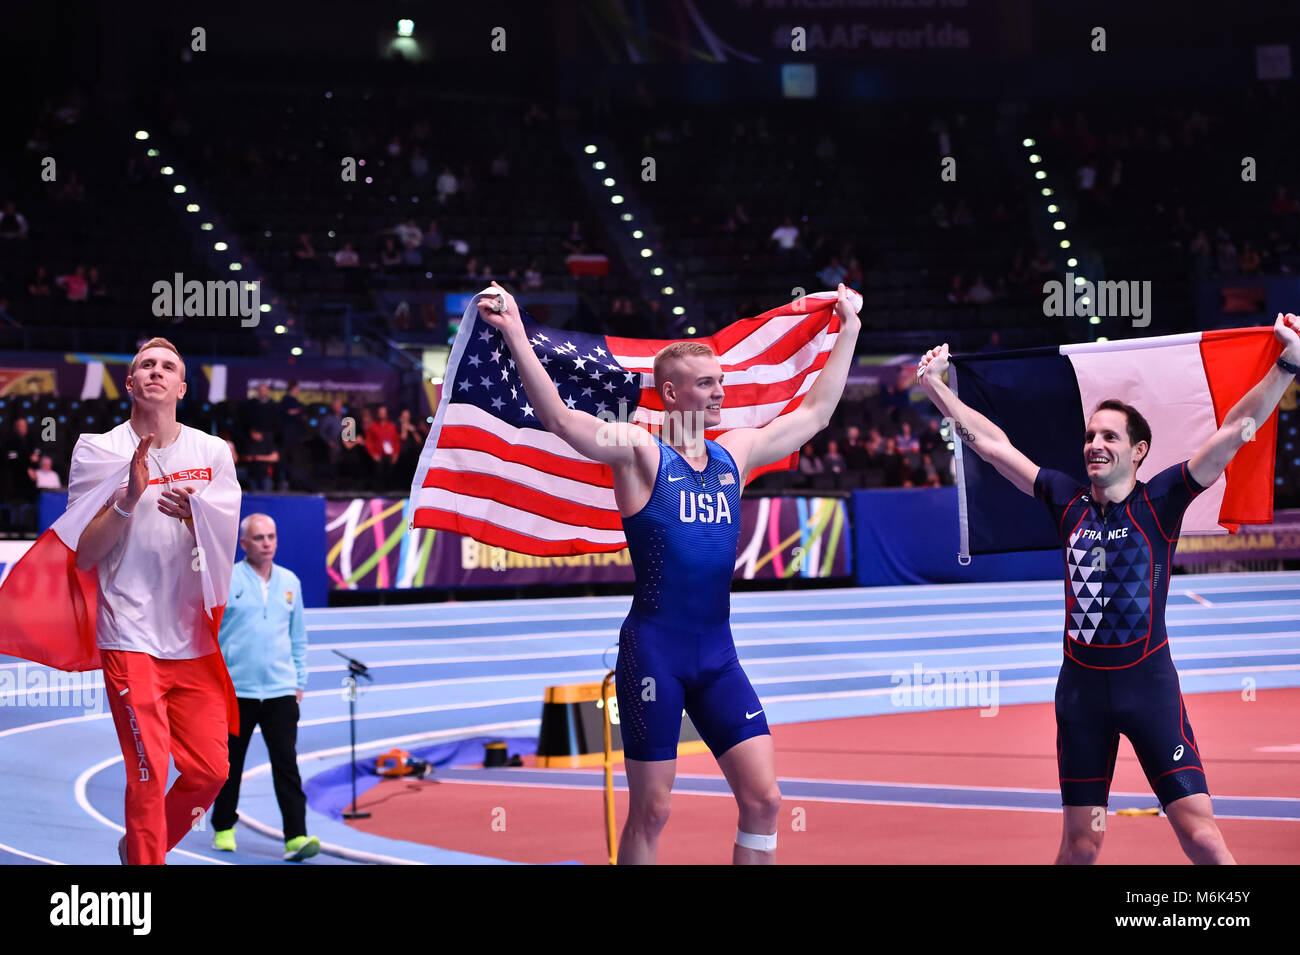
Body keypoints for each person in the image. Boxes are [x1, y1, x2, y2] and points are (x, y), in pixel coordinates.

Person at [479, 280, 862, 864]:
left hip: (719, 655)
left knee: (765, 799)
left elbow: (815, 412)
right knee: (653, 811)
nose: (719, 394)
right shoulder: (639, 452)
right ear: (671, 393)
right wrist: (513, 332)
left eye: (721, 383)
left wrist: (850, 327)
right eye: (707, 384)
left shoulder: (737, 452)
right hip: (654, 652)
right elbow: (558, 418)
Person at [915, 313, 1300, 864]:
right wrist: (938, 390)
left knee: (1200, 834)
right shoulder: (1064, 499)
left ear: (1138, 451)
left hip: (1150, 692)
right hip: (1080, 699)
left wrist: (1286, 365)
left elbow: (1234, 429)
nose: (1094, 443)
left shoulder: (1163, 499)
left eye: (1109, 436)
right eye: (1090, 435)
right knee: (1081, 843)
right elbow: (994, 447)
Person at [68, 337, 241, 864]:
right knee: (149, 770)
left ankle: (139, 849)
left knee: (212, 772)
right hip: (129, 635)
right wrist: (127, 499)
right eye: (146, 364)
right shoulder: (97, 450)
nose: (156, 372)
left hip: (191, 638)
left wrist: (197, 518)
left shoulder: (212, 452)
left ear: (182, 388)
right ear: (131, 381)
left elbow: (225, 541)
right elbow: (84, 555)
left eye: (168, 366)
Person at [211, 514, 319, 861]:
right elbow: (211, 635)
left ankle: (296, 837)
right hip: (236, 692)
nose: (267, 543)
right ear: (244, 543)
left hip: (280, 691)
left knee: (286, 764)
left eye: (271, 536)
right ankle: (224, 828)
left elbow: (297, 637)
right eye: (259, 538)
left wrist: (298, 681)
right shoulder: (227, 579)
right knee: (230, 765)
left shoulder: (290, 582)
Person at [365, 405, 401, 489]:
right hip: (378, 456)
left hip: (390, 455)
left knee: (391, 476)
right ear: (378, 414)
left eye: (383, 412)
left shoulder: (391, 426)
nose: (382, 414)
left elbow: (396, 441)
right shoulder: (373, 426)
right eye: (380, 412)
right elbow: (368, 442)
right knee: (378, 475)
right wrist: (373, 454)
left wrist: (396, 454)